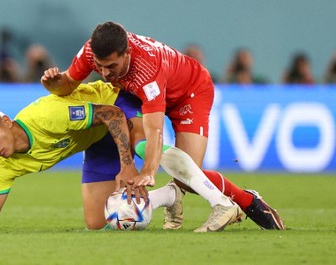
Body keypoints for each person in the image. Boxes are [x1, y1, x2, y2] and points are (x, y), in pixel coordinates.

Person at [41, 22, 284, 231]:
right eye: (100, 66)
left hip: (190, 93)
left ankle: (245, 200)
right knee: (141, 156)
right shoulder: (90, 52)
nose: (104, 73)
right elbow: (68, 84)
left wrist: (148, 171)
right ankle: (170, 197)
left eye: (111, 66)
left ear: (126, 53)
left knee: (188, 175)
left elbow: (155, 130)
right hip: (135, 94)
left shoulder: (147, 69)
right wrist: (53, 83)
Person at [0, 82, 246, 232]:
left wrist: (128, 164)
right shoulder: (3, 166)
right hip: (94, 135)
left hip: (115, 103)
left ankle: (221, 202)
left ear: (7, 122)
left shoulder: (47, 115)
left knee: (142, 148)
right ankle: (169, 196)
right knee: (97, 221)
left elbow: (112, 114)